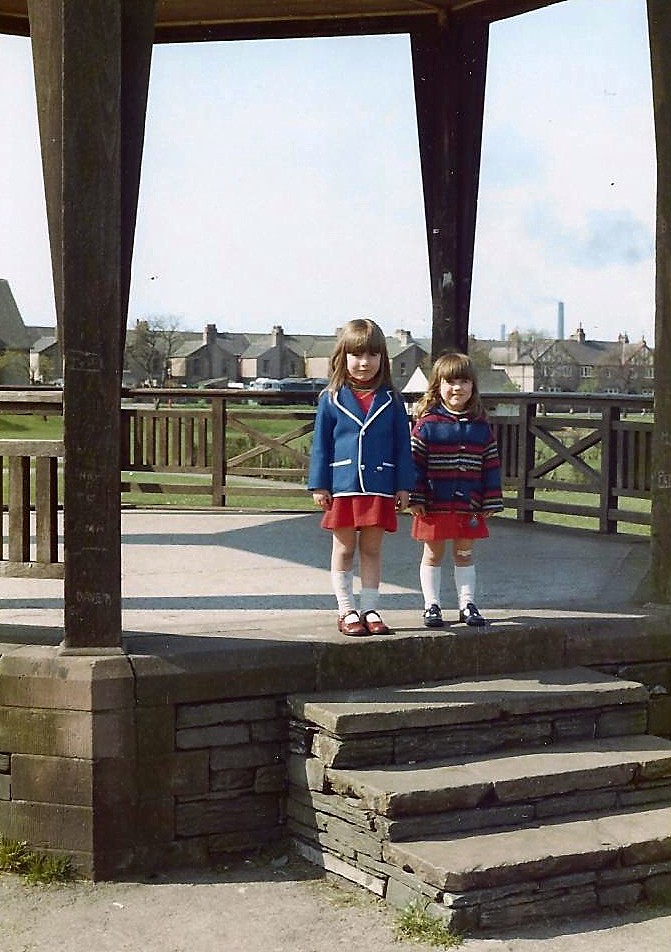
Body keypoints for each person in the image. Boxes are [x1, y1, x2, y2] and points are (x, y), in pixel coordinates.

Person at [308, 318, 414, 637]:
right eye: (356, 355)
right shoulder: (331, 398)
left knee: (371, 549)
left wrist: (404, 486)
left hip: (380, 487)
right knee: (343, 549)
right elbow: (321, 445)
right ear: (343, 358)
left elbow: (402, 447)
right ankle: (346, 609)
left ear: (383, 359)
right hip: (342, 486)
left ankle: (370, 607)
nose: (364, 362)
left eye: (372, 355)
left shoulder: (392, 400)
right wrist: (319, 484)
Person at [409, 351, 502, 629]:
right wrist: (415, 496)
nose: (457, 388)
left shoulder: (481, 428)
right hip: (433, 503)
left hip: (468, 504)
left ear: (473, 386)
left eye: (463, 381)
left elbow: (491, 465)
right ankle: (432, 605)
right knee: (433, 554)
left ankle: (467, 604)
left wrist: (490, 499)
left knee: (464, 553)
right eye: (449, 382)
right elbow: (415, 464)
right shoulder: (426, 426)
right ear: (437, 386)